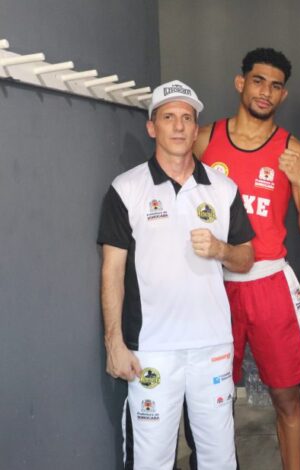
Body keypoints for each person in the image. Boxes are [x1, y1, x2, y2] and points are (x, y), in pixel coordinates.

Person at [98, 80, 255, 469]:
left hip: (212, 346)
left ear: (197, 128)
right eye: (168, 117)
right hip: (151, 349)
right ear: (152, 127)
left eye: (187, 118)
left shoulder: (223, 189)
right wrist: (114, 343)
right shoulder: (126, 189)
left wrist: (220, 250)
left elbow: (246, 258)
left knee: (219, 459)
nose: (179, 126)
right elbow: (112, 271)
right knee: (151, 460)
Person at [194, 47, 300, 470]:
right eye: (258, 81)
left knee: (286, 397)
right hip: (211, 282)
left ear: (283, 95)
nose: (266, 91)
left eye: (276, 85)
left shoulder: (295, 151)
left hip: (268, 284)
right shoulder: (204, 139)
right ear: (240, 83)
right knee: (212, 396)